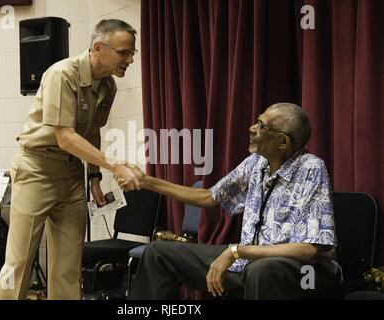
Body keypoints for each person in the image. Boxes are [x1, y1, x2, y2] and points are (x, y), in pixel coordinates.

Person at [120, 103, 342, 300]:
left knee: (261, 272)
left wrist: (237, 251)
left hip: (308, 275)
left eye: (261, 125)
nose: (252, 128)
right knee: (158, 253)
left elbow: (308, 250)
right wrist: (146, 181)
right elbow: (209, 197)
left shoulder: (311, 168)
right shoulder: (256, 163)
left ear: (283, 141)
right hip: (249, 262)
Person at [0, 19, 140, 300]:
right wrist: (115, 165)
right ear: (99, 47)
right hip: (37, 168)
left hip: (72, 175)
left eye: (133, 53)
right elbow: (65, 136)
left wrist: (95, 176)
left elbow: (93, 131)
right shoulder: (62, 74)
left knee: (68, 268)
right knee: (18, 263)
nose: (130, 59)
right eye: (124, 52)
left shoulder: (108, 86)